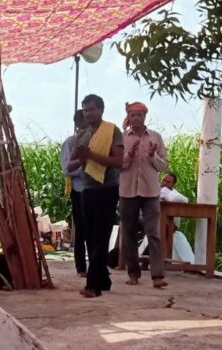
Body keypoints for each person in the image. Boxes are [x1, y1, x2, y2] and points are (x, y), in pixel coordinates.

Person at [69, 94, 124, 298]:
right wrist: (81, 159)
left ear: (101, 110)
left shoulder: (112, 131)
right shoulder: (82, 135)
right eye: (85, 110)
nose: (89, 113)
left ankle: (93, 286)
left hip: (107, 189)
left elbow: (119, 161)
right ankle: (103, 279)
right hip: (87, 190)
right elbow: (71, 164)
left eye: (92, 109)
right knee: (90, 238)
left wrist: (91, 155)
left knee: (100, 236)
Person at [119, 102, 169, 288]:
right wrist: (129, 155)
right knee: (129, 233)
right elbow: (117, 165)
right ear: (129, 117)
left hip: (150, 192)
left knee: (153, 233)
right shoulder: (122, 138)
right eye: (133, 115)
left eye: (139, 115)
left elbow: (164, 166)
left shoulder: (155, 137)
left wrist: (152, 156)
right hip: (127, 191)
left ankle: (157, 276)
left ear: (145, 116)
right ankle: (133, 273)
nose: (136, 118)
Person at [61, 109, 89, 277]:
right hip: (79, 190)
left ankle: (97, 265)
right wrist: (84, 166)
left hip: (96, 189)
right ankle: (81, 267)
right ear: (78, 124)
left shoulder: (97, 141)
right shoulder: (70, 143)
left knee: (96, 229)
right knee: (81, 229)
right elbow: (66, 169)